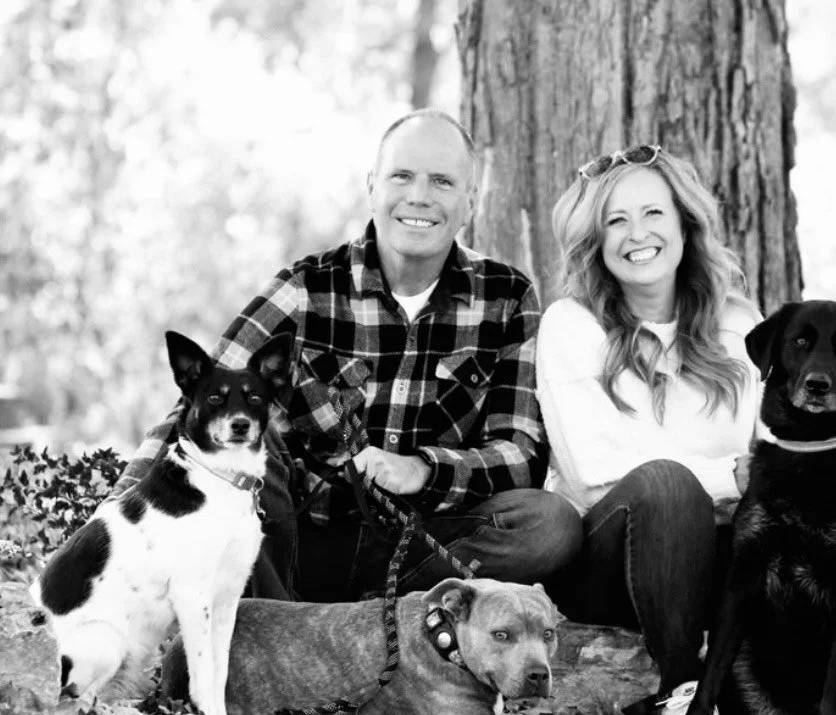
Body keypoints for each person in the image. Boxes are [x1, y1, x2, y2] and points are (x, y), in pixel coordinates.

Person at [111, 109, 582, 603]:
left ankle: (383, 613)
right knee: (246, 439)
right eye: (402, 176)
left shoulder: (507, 297)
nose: (419, 196)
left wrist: (422, 469)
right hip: (299, 542)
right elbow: (197, 410)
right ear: (372, 186)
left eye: (442, 181)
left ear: (471, 201)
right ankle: (280, 623)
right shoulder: (305, 289)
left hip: (423, 551)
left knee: (550, 525)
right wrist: (114, 525)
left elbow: (521, 454)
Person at [539, 144, 763, 715]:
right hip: (608, 561)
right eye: (616, 220)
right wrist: (728, 476)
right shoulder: (570, 324)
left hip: (715, 554)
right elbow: (595, 472)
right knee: (665, 485)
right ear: (596, 241)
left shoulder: (737, 324)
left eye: (653, 213)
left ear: (685, 224)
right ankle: (683, 699)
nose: (637, 234)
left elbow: (763, 453)